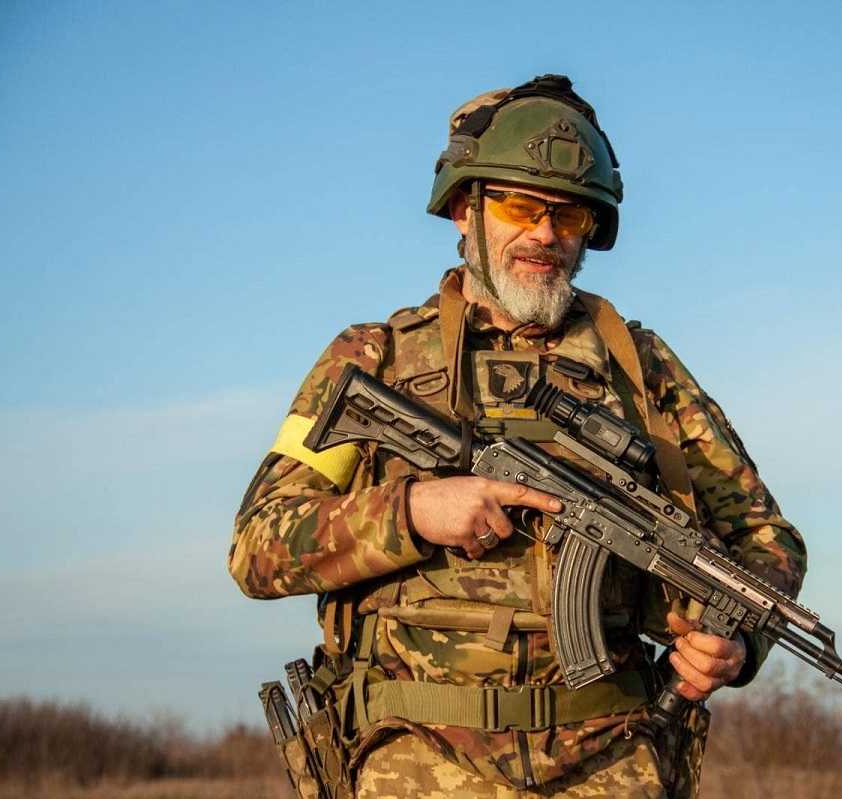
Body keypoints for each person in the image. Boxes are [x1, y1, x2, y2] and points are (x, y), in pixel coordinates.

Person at [229, 74, 807, 799]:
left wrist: (739, 641)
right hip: (414, 762)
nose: (545, 234)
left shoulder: (643, 369)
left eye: (570, 216)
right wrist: (412, 512)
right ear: (462, 210)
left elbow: (766, 539)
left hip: (612, 761)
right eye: (518, 206)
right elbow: (257, 546)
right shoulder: (374, 357)